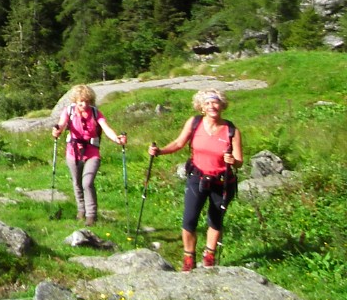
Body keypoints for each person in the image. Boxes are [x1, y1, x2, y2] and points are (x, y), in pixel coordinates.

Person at [148, 88, 243, 271]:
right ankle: (189, 259)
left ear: (222, 105)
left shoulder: (231, 130)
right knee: (189, 220)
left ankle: (209, 257)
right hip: (197, 178)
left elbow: (239, 161)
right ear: (201, 107)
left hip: (222, 181)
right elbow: (178, 143)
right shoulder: (194, 123)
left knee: (215, 220)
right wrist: (160, 151)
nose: (212, 106)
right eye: (207, 103)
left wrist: (233, 161)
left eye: (215, 102)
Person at [52, 84, 127, 225]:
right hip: (73, 151)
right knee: (77, 182)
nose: (84, 104)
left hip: (92, 152)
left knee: (87, 182)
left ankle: (91, 216)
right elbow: (61, 124)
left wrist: (117, 139)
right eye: (81, 101)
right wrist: (57, 130)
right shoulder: (69, 111)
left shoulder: (95, 113)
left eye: (87, 101)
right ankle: (81, 211)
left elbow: (106, 128)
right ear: (75, 100)